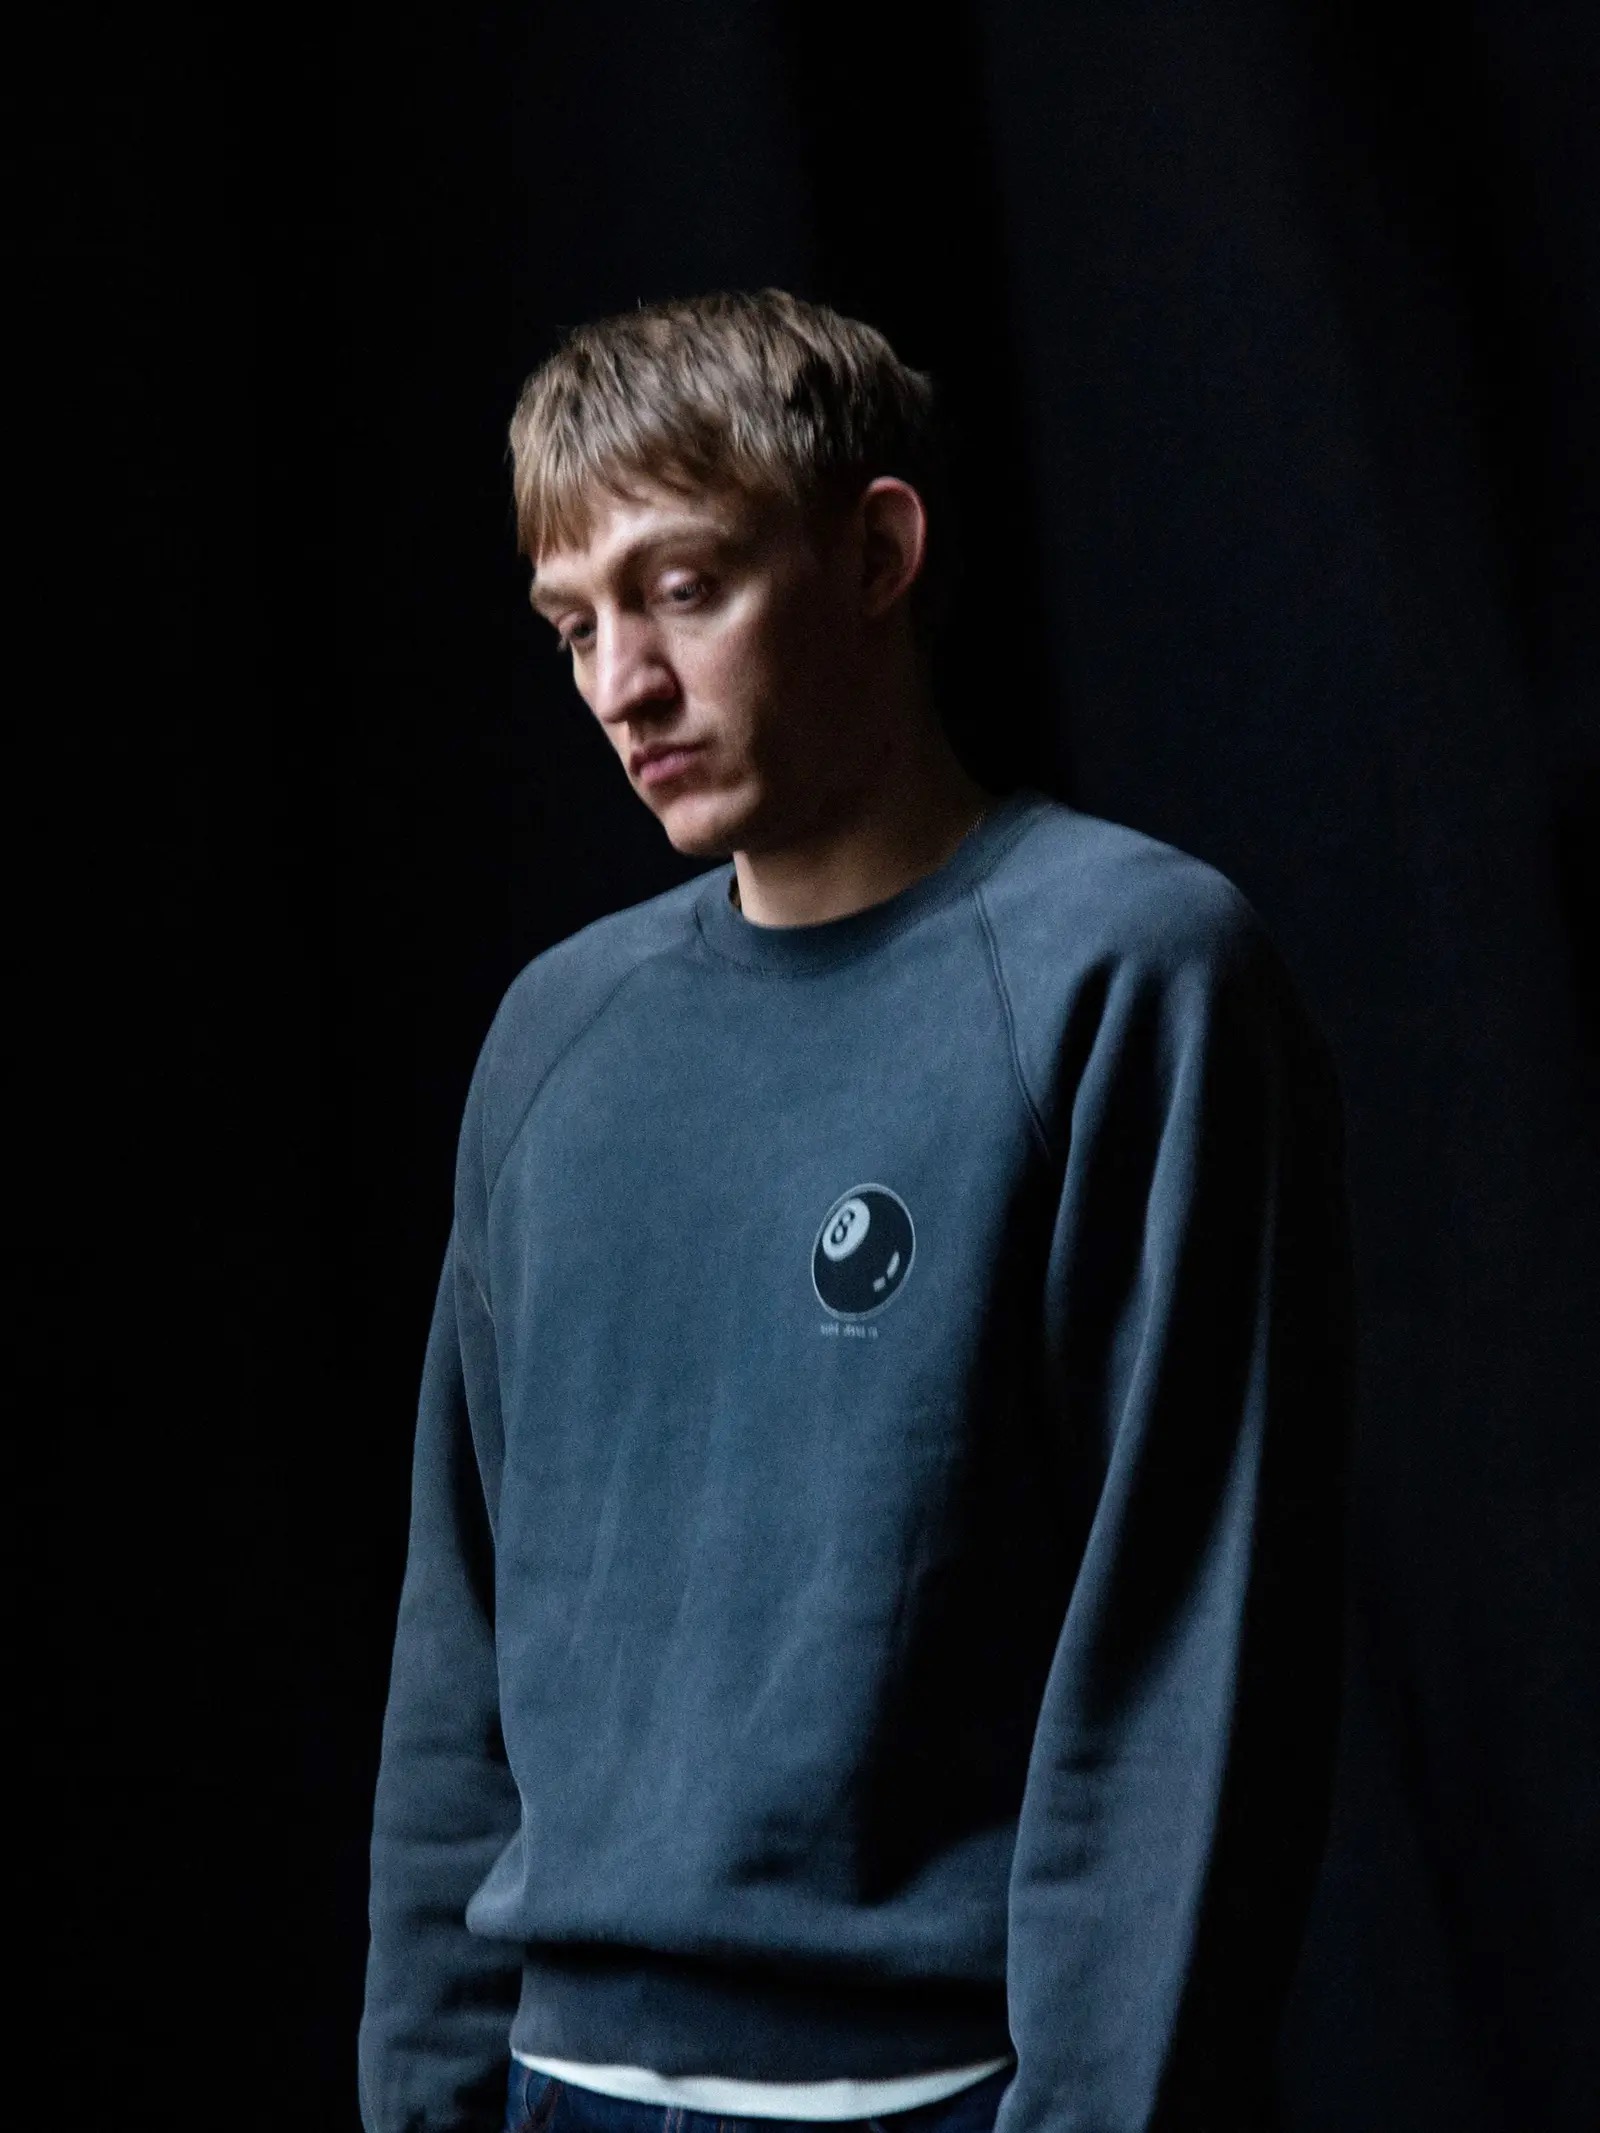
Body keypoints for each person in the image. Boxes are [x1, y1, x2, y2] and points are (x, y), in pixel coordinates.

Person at [358, 289, 1355, 2133]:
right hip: (553, 2084)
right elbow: (461, 1637)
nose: (621, 684)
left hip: (930, 2090)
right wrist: (422, 2095)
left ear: (877, 553)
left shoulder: (1129, 975)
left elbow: (1193, 1647)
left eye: (681, 589)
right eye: (573, 625)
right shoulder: (557, 1038)